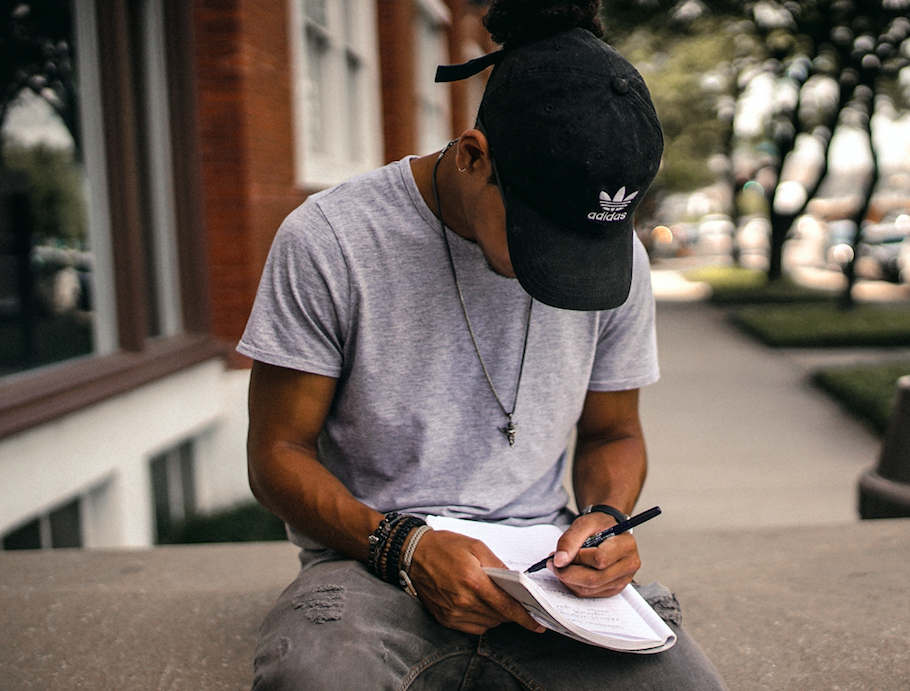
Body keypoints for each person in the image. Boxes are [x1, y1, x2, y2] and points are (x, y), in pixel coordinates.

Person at [238, 1, 727, 689]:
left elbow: (613, 431)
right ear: (473, 156)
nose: (563, 265)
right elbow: (276, 454)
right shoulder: (331, 239)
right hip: (369, 564)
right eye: (541, 237)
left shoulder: (620, 258)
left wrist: (606, 518)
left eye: (586, 242)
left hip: (546, 578)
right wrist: (402, 545)